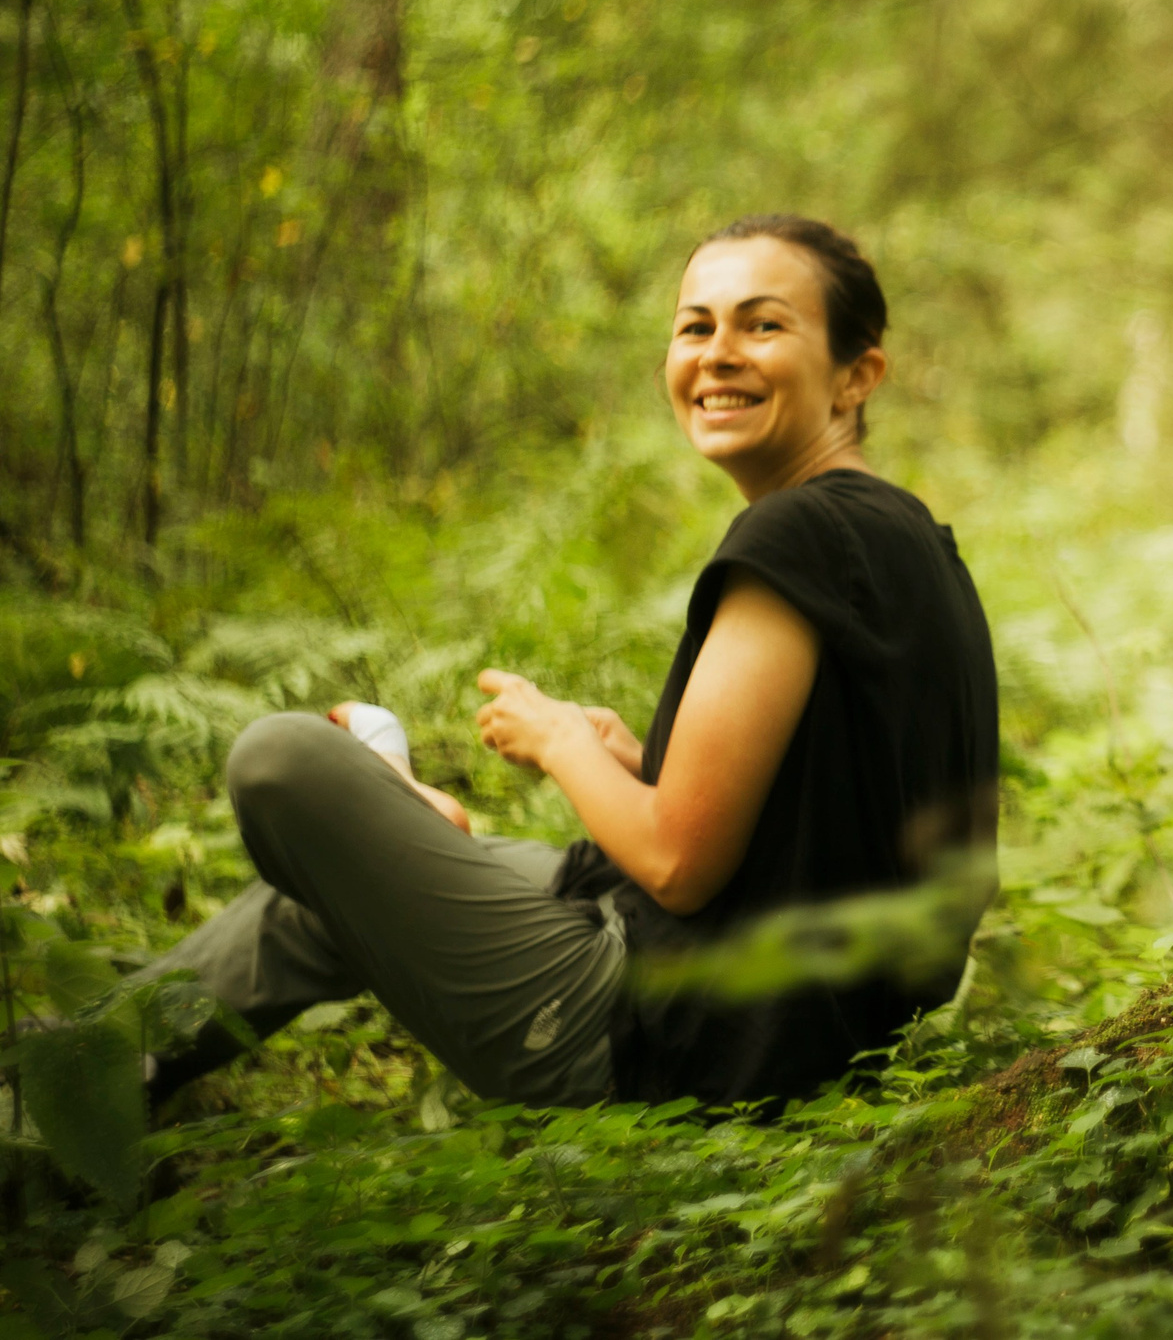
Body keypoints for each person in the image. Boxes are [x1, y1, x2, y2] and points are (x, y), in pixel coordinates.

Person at [139, 216, 999, 1109]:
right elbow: (843, 815)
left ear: (857, 374)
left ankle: (392, 788)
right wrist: (640, 760)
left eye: (764, 324)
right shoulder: (911, 541)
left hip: (679, 1032)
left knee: (280, 758)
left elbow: (676, 860)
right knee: (315, 903)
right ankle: (63, 1088)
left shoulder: (801, 531)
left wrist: (559, 740)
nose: (719, 353)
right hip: (797, 1023)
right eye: (696, 326)